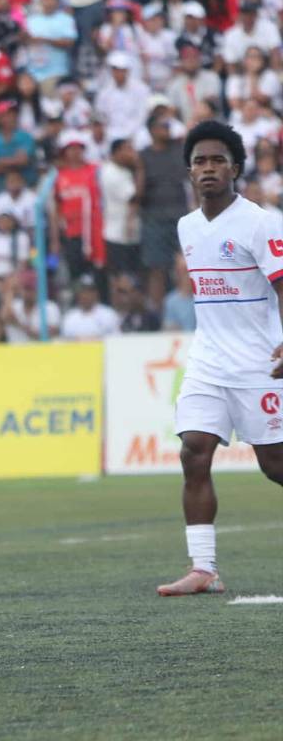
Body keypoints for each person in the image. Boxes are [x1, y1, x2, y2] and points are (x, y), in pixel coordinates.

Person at [159, 121, 283, 597]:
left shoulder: (260, 221)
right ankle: (204, 568)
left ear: (235, 168)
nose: (207, 168)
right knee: (194, 449)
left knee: (274, 464)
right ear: (189, 172)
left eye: (217, 160)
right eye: (199, 161)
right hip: (209, 362)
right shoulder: (187, 226)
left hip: (260, 363)